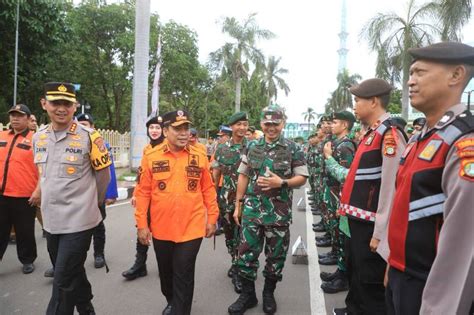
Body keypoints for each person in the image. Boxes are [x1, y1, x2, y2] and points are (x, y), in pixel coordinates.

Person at [386, 42, 474, 315]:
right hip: (402, 275)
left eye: (420, 72)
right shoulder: (422, 136)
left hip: (430, 286)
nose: (411, 81)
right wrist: (392, 262)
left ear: (456, 75)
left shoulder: (463, 141)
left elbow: (463, 247)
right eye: (410, 74)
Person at [34, 82, 111, 314]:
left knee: (62, 282)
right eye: (56, 102)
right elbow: (43, 175)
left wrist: (92, 204)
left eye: (67, 103)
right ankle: (86, 307)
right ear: (44, 104)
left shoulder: (90, 137)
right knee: (70, 270)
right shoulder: (38, 137)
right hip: (51, 221)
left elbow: (103, 177)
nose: (61, 108)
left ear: (75, 106)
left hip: (80, 220)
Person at [334, 78, 407, 315]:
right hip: (360, 221)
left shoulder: (389, 135)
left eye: (357, 100)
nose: (354, 105)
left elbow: (391, 188)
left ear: (374, 101)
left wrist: (381, 233)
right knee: (359, 274)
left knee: (371, 284)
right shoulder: (372, 133)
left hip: (372, 225)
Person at [134, 110, 218, 315]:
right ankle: (172, 300)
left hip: (192, 227)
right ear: (165, 130)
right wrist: (142, 225)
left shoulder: (199, 156)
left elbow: (208, 188)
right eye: (177, 128)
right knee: (166, 274)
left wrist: (213, 218)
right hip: (162, 228)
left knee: (184, 272)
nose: (183, 133)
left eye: (186, 128)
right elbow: (143, 192)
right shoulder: (151, 156)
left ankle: (181, 309)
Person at [228, 105, 308, 315]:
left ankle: (268, 293)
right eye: (267, 123)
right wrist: (238, 205)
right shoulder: (252, 145)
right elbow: (243, 174)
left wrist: (281, 182)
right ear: (262, 124)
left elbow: (302, 178)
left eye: (275, 123)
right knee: (245, 255)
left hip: (278, 214)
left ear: (282, 123)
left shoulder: (292, 148)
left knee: (275, 258)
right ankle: (248, 295)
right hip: (252, 212)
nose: (271, 128)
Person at [122, 115, 165, 280]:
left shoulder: (167, 148)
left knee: (163, 233)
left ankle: (168, 266)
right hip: (147, 197)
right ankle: (140, 265)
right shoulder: (147, 149)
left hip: (162, 199)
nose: (154, 131)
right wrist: (136, 194)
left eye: (158, 128)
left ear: (164, 131)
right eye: (151, 128)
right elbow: (142, 175)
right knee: (142, 228)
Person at [212, 111, 249, 294]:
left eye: (245, 124)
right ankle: (234, 261)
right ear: (232, 126)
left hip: (248, 199)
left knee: (245, 236)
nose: (242, 128)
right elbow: (216, 173)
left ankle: (240, 269)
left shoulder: (253, 147)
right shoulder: (221, 148)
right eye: (238, 124)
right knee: (229, 235)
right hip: (226, 198)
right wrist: (213, 196)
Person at [320, 111, 357, 294]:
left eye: (335, 122)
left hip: (341, 196)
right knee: (339, 234)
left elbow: (346, 177)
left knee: (342, 235)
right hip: (335, 194)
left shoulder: (345, 146)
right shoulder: (338, 144)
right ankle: (340, 271)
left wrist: (343, 203)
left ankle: (343, 277)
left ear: (344, 125)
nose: (331, 125)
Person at [0, 104, 39, 274]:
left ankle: (27, 260)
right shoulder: (2, 136)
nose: (15, 118)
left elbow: (43, 169)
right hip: (2, 194)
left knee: (25, 231)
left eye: (19, 115)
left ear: (29, 119)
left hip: (24, 195)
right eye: (12, 115)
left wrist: (39, 190)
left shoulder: (36, 140)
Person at [76, 113, 118, 269]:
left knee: (97, 226)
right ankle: (66, 260)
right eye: (79, 124)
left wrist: (110, 194)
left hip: (95, 195)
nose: (82, 127)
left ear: (92, 127)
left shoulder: (101, 145)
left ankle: (99, 254)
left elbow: (109, 172)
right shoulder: (70, 144)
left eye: (85, 124)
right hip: (76, 195)